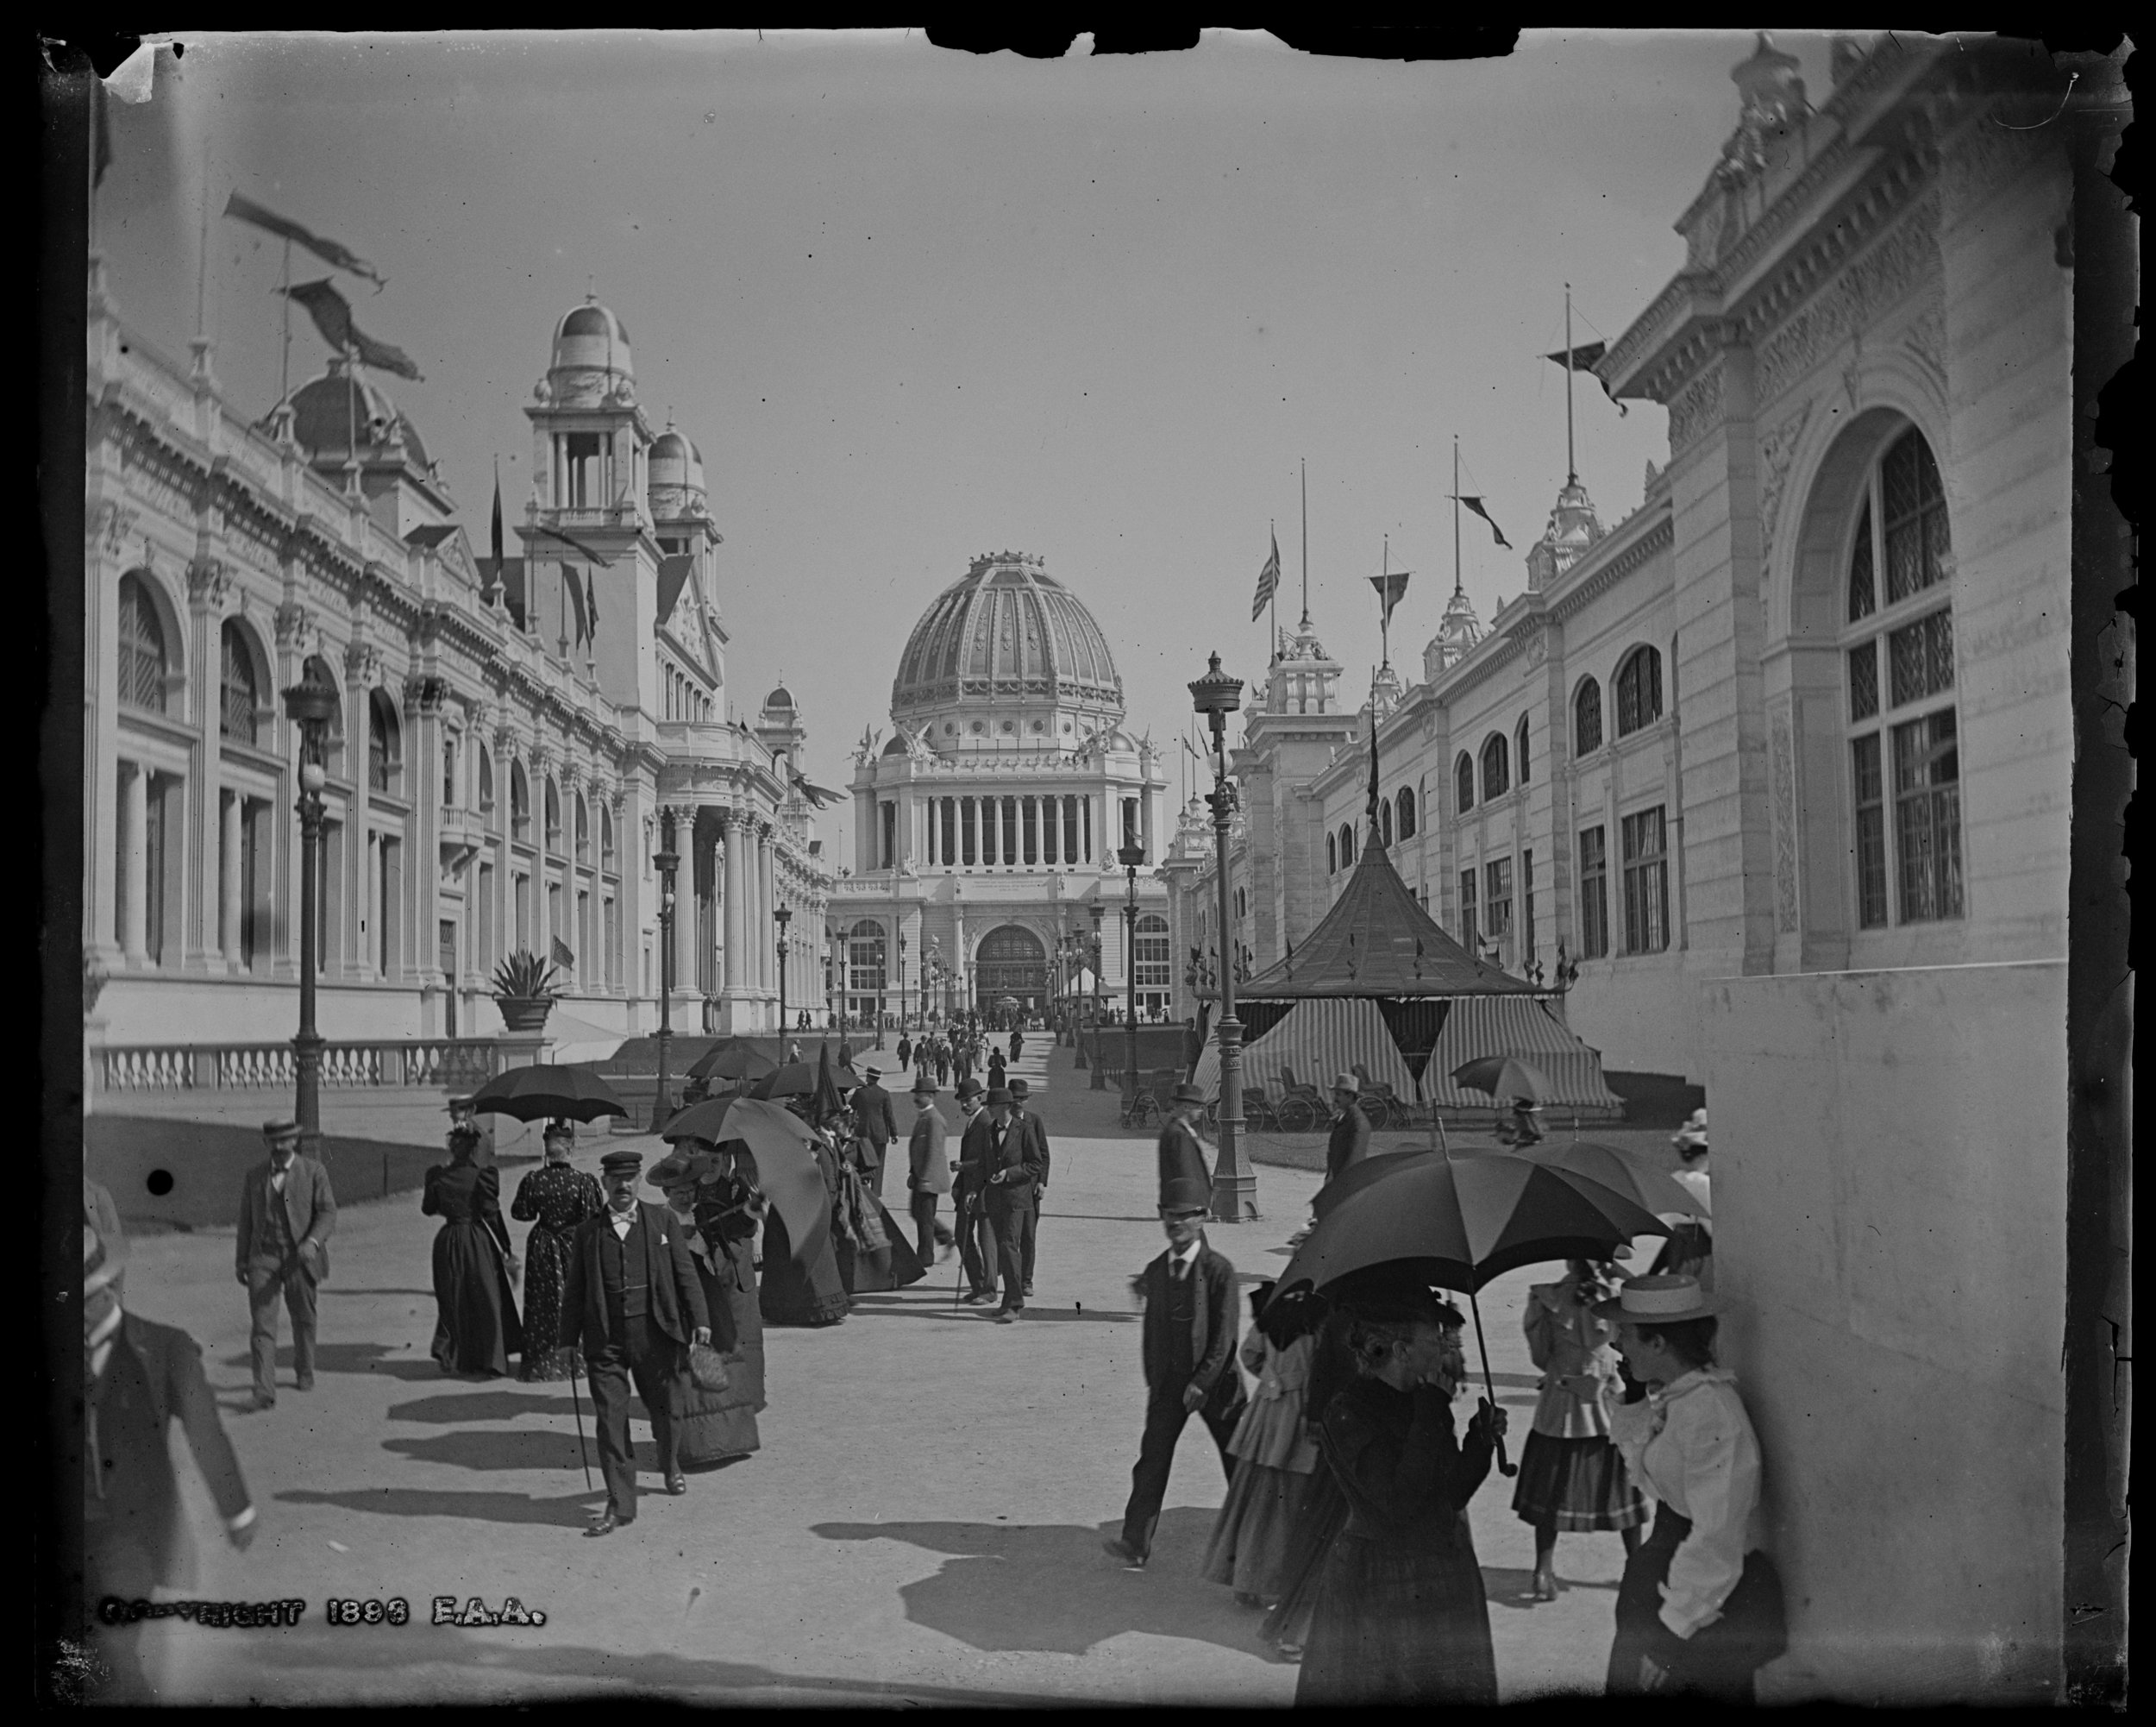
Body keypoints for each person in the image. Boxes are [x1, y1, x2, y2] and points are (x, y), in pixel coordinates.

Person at [1296, 1283, 1506, 1705]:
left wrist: (1479, 1443)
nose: (1446, 1349)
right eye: (1436, 1339)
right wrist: (1432, 1409)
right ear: (1401, 1350)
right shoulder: (1349, 1409)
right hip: (1379, 1581)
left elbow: (1450, 1495)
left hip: (1441, 1574)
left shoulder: (1423, 1400)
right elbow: (1398, 1502)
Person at [84, 1221, 256, 1702]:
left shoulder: (163, 1350)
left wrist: (235, 1508)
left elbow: (206, 1435)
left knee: (113, 1650)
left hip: (131, 1533)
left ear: (108, 1291)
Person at [1601, 1275, 1783, 1701]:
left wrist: (1669, 1636)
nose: (1617, 1346)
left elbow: (1716, 1532)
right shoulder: (1681, 1399)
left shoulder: (1710, 1412)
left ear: (1659, 1343)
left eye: (1626, 1335)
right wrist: (1633, 1394)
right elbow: (1647, 1472)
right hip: (1661, 1578)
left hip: (1691, 1604)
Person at [560, 1150, 711, 1535]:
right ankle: (619, 1502)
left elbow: (684, 1275)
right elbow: (575, 1290)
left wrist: (701, 1322)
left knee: (669, 1408)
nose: (623, 1186)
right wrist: (565, 1341)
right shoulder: (587, 1232)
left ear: (639, 1180)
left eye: (630, 1178)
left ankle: (670, 1462)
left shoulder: (660, 1220)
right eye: (615, 1179)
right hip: (605, 1338)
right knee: (611, 1422)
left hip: (656, 1332)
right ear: (605, 1184)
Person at [1103, 1173, 1246, 1567]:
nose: (1176, 1224)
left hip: (1218, 1384)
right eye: (1169, 1216)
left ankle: (1254, 1545)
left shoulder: (1219, 1270)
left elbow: (1225, 1337)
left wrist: (1203, 1382)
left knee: (1240, 1463)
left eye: (1185, 1216)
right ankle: (1136, 1543)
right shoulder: (1157, 1270)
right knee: (1152, 1459)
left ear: (1203, 1218)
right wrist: (1158, 1382)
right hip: (1170, 1383)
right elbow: (1153, 1334)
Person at [1514, 1260, 1648, 1600]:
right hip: (1607, 1400)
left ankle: (1543, 1572)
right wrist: (1620, 1273)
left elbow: (1540, 1356)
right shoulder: (1616, 1295)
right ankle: (1637, 1568)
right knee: (1622, 1484)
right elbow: (1643, 1319)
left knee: (1552, 1486)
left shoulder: (1545, 1298)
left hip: (1562, 1404)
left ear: (1568, 1262)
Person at [1205, 1282, 1322, 1608]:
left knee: (1254, 1493)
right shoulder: (1317, 1322)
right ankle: (1277, 1581)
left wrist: (1271, 1379)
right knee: (1290, 1497)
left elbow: (1249, 1354)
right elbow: (1323, 1371)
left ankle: (1245, 1580)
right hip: (1298, 1414)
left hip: (1265, 1412)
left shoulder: (1269, 1317)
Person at [650, 1148, 762, 1469]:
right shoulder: (657, 1219)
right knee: (685, 1366)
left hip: (709, 1296)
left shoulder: (705, 1214)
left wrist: (751, 1211)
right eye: (679, 1192)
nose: (686, 1197)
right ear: (666, 1192)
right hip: (675, 1300)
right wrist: (671, 1241)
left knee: (720, 1357)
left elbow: (733, 1227)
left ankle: (728, 1440)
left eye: (690, 1190)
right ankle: (691, 1446)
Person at [235, 1120, 336, 1410]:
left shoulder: (314, 1171)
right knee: (262, 1325)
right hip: (263, 1257)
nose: (279, 1147)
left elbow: (328, 1212)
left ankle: (305, 1370)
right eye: (273, 1142)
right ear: (266, 1144)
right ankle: (263, 1389)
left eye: (285, 1141)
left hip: (299, 1256)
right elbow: (246, 1221)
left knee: (304, 1317)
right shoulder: (255, 1176)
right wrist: (241, 1259)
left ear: (294, 1142)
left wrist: (312, 1242)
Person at [422, 1122, 523, 1378]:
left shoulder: (437, 1176)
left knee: (453, 1298)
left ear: (453, 1149)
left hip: (447, 1240)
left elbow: (428, 1208)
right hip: (476, 1240)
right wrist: (506, 1246)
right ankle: (490, 1359)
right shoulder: (482, 1176)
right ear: (473, 1149)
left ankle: (457, 1356)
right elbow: (491, 1214)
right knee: (486, 1298)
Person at [510, 1122, 605, 1381]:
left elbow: (522, 1212)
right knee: (575, 1298)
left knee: (542, 1302)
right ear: (570, 1148)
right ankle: (576, 1360)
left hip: (542, 1244)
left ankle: (541, 1363)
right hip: (572, 1244)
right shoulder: (583, 1182)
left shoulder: (534, 1180)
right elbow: (593, 1215)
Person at [758, 1112, 852, 1328]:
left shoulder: (809, 1157)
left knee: (808, 1262)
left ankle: (813, 1308)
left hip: (803, 1214)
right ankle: (798, 1309)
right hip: (786, 1215)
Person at [966, 1087, 1041, 1322]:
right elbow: (983, 1167)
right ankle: (1008, 1300)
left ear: (1005, 1107)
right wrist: (973, 1191)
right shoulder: (989, 1131)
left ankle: (1015, 1304)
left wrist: (1010, 1173)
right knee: (1003, 1250)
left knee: (1009, 1248)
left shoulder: (1024, 1130)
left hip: (1017, 1200)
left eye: (992, 1106)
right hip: (995, 1200)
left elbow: (1035, 1164)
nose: (988, 1108)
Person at [950, 1077, 999, 1306]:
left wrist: (964, 1167)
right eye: (961, 1101)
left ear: (979, 1098)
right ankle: (978, 1284)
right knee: (962, 1235)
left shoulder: (986, 1122)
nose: (964, 1105)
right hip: (968, 1188)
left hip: (984, 1189)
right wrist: (959, 1184)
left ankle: (989, 1290)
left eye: (968, 1100)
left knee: (986, 1239)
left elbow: (987, 1161)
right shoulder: (973, 1121)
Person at [1651, 1111, 1714, 1287]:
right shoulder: (1701, 1184)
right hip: (1700, 1254)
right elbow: (1715, 1229)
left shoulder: (1676, 1179)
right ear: (1704, 1154)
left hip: (1678, 1252)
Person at [905, 1075, 956, 1265]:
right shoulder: (925, 1116)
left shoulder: (934, 1119)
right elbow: (919, 1149)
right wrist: (913, 1172)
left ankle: (925, 1258)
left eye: (919, 1095)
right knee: (917, 1213)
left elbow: (934, 1152)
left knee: (924, 1218)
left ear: (930, 1096)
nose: (916, 1098)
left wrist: (925, 1178)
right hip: (920, 1176)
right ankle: (946, 1237)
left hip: (929, 1178)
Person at [1006, 1077, 1050, 1297]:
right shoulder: (1003, 1124)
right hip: (1010, 1189)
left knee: (1029, 1237)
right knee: (1010, 1236)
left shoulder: (1034, 1121)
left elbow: (1044, 1154)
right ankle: (1011, 1278)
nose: (1019, 1104)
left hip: (1031, 1189)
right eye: (1015, 1100)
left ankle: (1026, 1280)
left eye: (1022, 1099)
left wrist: (1042, 1181)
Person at [1157, 1082, 1213, 1200]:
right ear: (1186, 1107)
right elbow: (1186, 1171)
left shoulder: (1178, 1130)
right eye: (1198, 1107)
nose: (1201, 1111)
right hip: (1184, 1204)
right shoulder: (1178, 1134)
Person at [851, 1066, 899, 1202]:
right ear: (878, 1079)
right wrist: (894, 1134)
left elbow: (851, 1108)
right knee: (879, 1163)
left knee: (864, 1161)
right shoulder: (884, 1093)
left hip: (863, 1133)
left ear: (867, 1077)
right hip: (880, 1134)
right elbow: (889, 1115)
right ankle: (876, 1191)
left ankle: (864, 1188)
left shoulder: (860, 1093)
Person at [1325, 1074, 1372, 1184]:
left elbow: (1355, 1156)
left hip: (1347, 1181)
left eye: (1338, 1095)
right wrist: (1330, 1175)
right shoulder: (1344, 1116)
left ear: (1350, 1097)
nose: (1335, 1099)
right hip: (1337, 1178)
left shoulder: (1357, 1122)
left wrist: (1341, 1182)